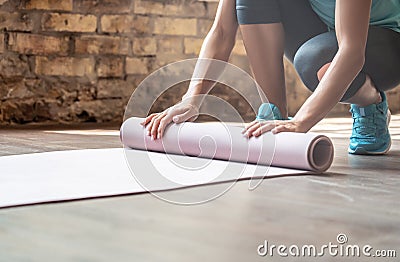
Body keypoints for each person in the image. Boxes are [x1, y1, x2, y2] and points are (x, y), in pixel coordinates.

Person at [142, 0, 400, 155]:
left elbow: (351, 52)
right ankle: (275, 115)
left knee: (315, 61)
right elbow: (221, 32)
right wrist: (191, 99)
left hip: (387, 42)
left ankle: (369, 103)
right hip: (330, 33)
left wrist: (301, 123)